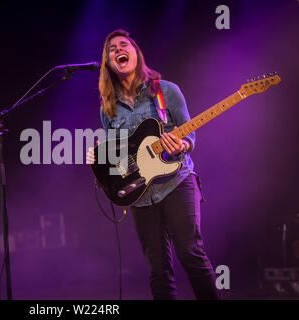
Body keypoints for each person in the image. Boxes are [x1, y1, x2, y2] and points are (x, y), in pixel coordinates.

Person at [87, 29, 219, 300]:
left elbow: (188, 131)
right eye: (111, 49)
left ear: (135, 53)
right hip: (140, 193)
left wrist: (182, 145)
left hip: (176, 181)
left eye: (124, 45)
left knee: (190, 253)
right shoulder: (107, 108)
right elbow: (120, 153)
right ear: (108, 63)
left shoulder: (166, 91)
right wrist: (102, 155)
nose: (118, 50)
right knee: (157, 270)